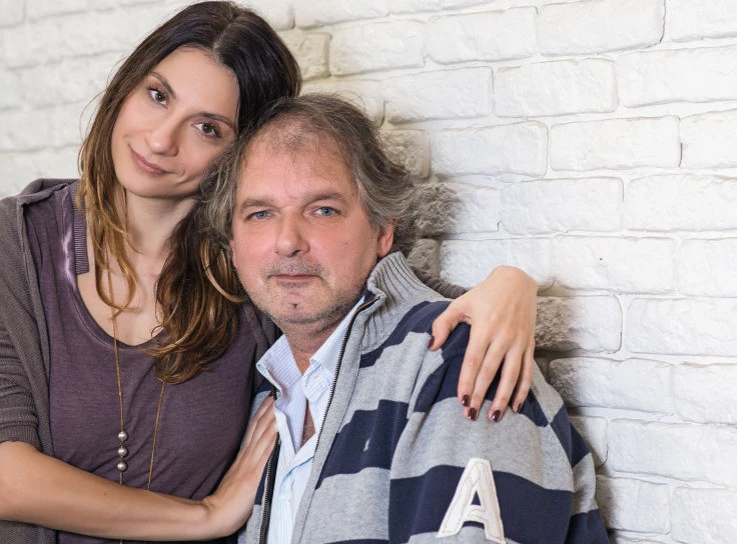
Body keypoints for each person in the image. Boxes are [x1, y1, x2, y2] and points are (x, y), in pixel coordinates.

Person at [0, 3, 538, 544]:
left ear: (240, 152)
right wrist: (207, 516)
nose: (160, 140)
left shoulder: (249, 268)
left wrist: (509, 287)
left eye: (206, 128)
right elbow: (3, 480)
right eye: (157, 95)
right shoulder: (20, 240)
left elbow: (371, 296)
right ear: (126, 86)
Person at [200, 93, 607, 543]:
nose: (287, 241)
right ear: (231, 245)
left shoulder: (457, 359)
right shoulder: (262, 391)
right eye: (260, 214)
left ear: (383, 230)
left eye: (323, 210)